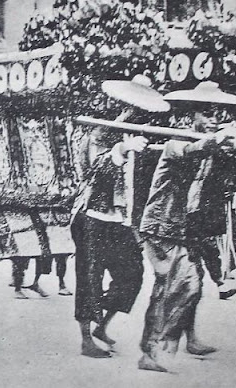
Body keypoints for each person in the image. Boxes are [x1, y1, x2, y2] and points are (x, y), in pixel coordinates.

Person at [138, 81, 236, 372]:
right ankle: (152, 352)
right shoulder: (175, 142)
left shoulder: (213, 145)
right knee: (180, 285)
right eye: (206, 112)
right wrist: (217, 140)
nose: (214, 117)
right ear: (191, 116)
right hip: (162, 226)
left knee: (189, 284)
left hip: (188, 227)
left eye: (217, 112)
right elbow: (192, 150)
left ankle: (170, 344)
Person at [70, 74, 166, 358]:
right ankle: (86, 338)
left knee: (132, 274)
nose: (139, 113)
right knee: (90, 277)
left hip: (120, 220)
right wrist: (122, 149)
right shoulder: (101, 132)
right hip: (91, 216)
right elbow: (95, 169)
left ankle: (103, 324)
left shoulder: (141, 133)